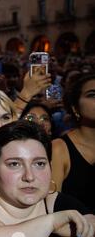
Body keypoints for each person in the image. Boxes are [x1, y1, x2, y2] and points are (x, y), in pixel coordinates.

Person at [0, 121, 94, 237]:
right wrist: (52, 223)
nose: (29, 176)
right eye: (14, 164)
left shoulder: (60, 203)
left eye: (39, 164)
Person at [51, 74, 95, 213]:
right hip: (74, 232)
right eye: (92, 95)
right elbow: (51, 206)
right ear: (75, 108)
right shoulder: (59, 148)